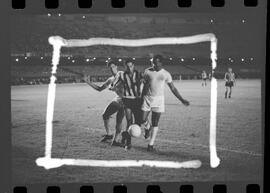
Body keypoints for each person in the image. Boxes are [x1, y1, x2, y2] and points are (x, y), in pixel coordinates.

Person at [140, 54, 190, 152]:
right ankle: (147, 128)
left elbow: (173, 88)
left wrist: (182, 99)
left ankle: (151, 145)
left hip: (159, 100)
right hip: (147, 99)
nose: (154, 64)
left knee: (155, 122)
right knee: (142, 119)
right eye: (153, 62)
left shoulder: (166, 74)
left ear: (161, 62)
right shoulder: (147, 71)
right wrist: (141, 97)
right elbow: (145, 85)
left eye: (156, 62)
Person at [83, 61, 125, 146]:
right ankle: (109, 134)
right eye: (110, 68)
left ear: (116, 66)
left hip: (126, 100)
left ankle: (115, 140)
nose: (112, 69)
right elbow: (100, 88)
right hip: (118, 99)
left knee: (119, 121)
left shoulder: (121, 74)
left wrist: (115, 87)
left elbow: (124, 81)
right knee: (105, 115)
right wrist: (88, 82)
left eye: (113, 67)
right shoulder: (110, 79)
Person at [111, 58, 143, 149]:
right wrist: (117, 90)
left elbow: (145, 83)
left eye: (131, 66)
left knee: (138, 122)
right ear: (125, 67)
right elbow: (113, 85)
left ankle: (125, 134)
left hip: (137, 101)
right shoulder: (122, 75)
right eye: (127, 66)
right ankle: (128, 143)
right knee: (129, 121)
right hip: (127, 100)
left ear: (133, 66)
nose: (129, 68)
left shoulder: (139, 74)